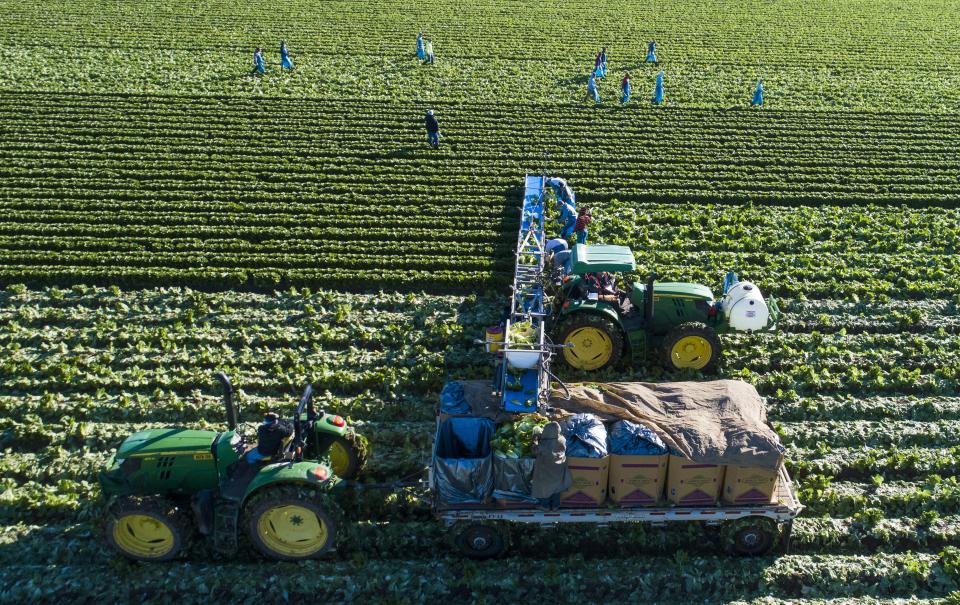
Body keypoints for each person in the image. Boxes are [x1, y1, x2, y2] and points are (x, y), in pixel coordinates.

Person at [532, 422, 572, 511]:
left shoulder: (544, 444)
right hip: (559, 469)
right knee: (556, 488)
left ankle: (544, 506)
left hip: (546, 470)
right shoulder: (562, 439)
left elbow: (535, 451)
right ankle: (555, 506)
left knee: (545, 488)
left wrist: (535, 439)